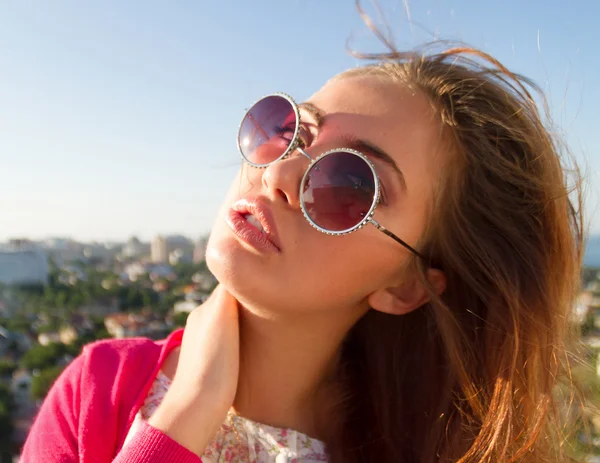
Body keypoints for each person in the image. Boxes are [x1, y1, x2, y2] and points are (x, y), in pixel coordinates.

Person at [21, 18, 583, 463]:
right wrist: (182, 420)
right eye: (289, 131)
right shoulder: (102, 389)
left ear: (408, 285)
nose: (280, 175)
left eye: (350, 184)